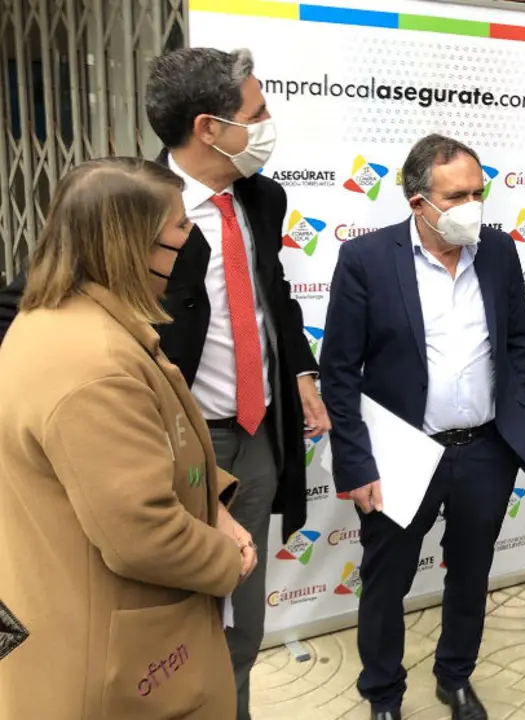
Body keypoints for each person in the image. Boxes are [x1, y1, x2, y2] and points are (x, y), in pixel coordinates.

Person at [0, 48, 329, 717]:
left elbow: (274, 295)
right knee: (169, 622)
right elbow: (36, 295)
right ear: (210, 127)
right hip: (165, 449)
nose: (269, 123)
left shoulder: (264, 198)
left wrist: (300, 371)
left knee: (240, 621)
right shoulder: (134, 203)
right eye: (257, 112)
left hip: (256, 436)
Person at [0, 157, 258, 719]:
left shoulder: (63, 320)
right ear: (134, 245)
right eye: (179, 226)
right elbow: (140, 535)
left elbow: (146, 451)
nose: (188, 238)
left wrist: (213, 504)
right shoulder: (95, 366)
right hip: (115, 661)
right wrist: (227, 560)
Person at [320, 133, 525, 720]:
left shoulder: (499, 250)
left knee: (470, 574)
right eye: (456, 196)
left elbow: (518, 342)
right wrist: (357, 463)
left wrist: (518, 415)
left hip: (485, 450)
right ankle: (383, 694)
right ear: (418, 202)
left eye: (478, 193)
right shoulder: (366, 259)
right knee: (386, 580)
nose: (472, 206)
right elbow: (338, 371)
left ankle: (455, 677)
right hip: (401, 454)